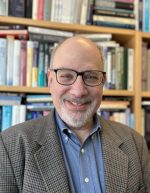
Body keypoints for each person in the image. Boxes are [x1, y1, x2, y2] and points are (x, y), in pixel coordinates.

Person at [0, 36, 149, 193]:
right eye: (66, 76)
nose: (78, 91)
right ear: (50, 80)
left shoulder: (135, 144)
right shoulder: (10, 147)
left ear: (102, 81)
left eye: (91, 76)